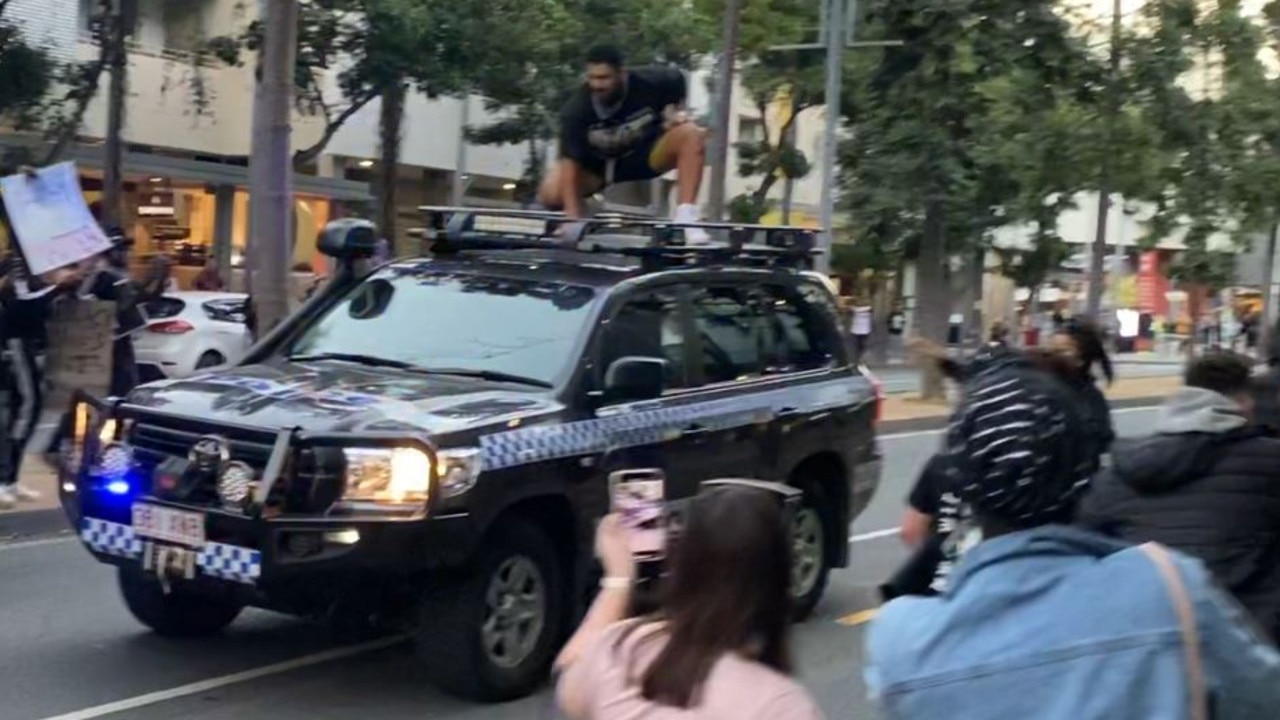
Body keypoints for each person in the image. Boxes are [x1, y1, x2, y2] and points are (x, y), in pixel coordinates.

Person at [867, 355, 1280, 719]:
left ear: (959, 479)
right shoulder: (1169, 587)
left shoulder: (900, 641)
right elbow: (1263, 699)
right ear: (1084, 470)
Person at [555, 487, 823, 719]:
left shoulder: (623, 650)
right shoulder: (780, 706)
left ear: (681, 565)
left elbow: (569, 676)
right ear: (780, 578)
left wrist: (619, 578)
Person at [1078, 353, 1280, 642]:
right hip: (1245, 642)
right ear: (1244, 402)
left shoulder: (1122, 469)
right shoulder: (1269, 463)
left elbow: (1085, 547)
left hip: (1143, 639)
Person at [538, 45, 710, 242]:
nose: (597, 85)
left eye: (604, 78)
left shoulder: (654, 81)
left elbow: (678, 83)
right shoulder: (576, 110)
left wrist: (677, 112)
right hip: (599, 169)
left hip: (644, 155)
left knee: (690, 133)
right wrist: (572, 215)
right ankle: (585, 215)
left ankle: (685, 217)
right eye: (592, 77)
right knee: (550, 189)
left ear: (622, 73)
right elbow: (569, 164)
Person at [1047, 318, 1115, 468]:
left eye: (1061, 351)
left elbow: (1104, 439)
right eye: (1051, 351)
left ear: (1081, 358)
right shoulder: (1040, 388)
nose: (1052, 356)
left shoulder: (1091, 398)